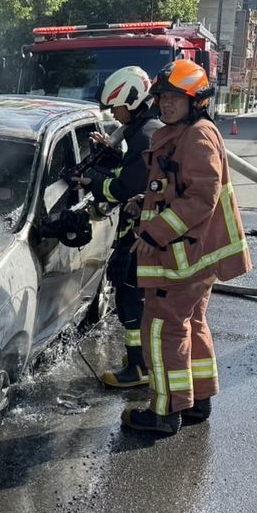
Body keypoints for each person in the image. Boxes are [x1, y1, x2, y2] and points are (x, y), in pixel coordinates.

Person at [122, 60, 252, 438]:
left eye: (175, 98)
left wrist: (153, 233)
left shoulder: (196, 136)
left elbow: (200, 198)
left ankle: (164, 411)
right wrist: (143, 202)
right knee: (191, 324)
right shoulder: (185, 133)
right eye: (163, 98)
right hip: (193, 257)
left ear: (196, 100)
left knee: (162, 329)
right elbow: (173, 187)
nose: (165, 105)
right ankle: (197, 400)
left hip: (180, 258)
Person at [72, 65, 158, 388]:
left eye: (117, 107)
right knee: (132, 297)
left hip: (143, 236)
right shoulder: (143, 131)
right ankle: (141, 360)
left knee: (130, 299)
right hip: (143, 231)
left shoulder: (146, 137)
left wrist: (92, 181)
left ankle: (138, 368)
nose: (115, 114)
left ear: (132, 101)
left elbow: (121, 188)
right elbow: (130, 172)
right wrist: (110, 154)